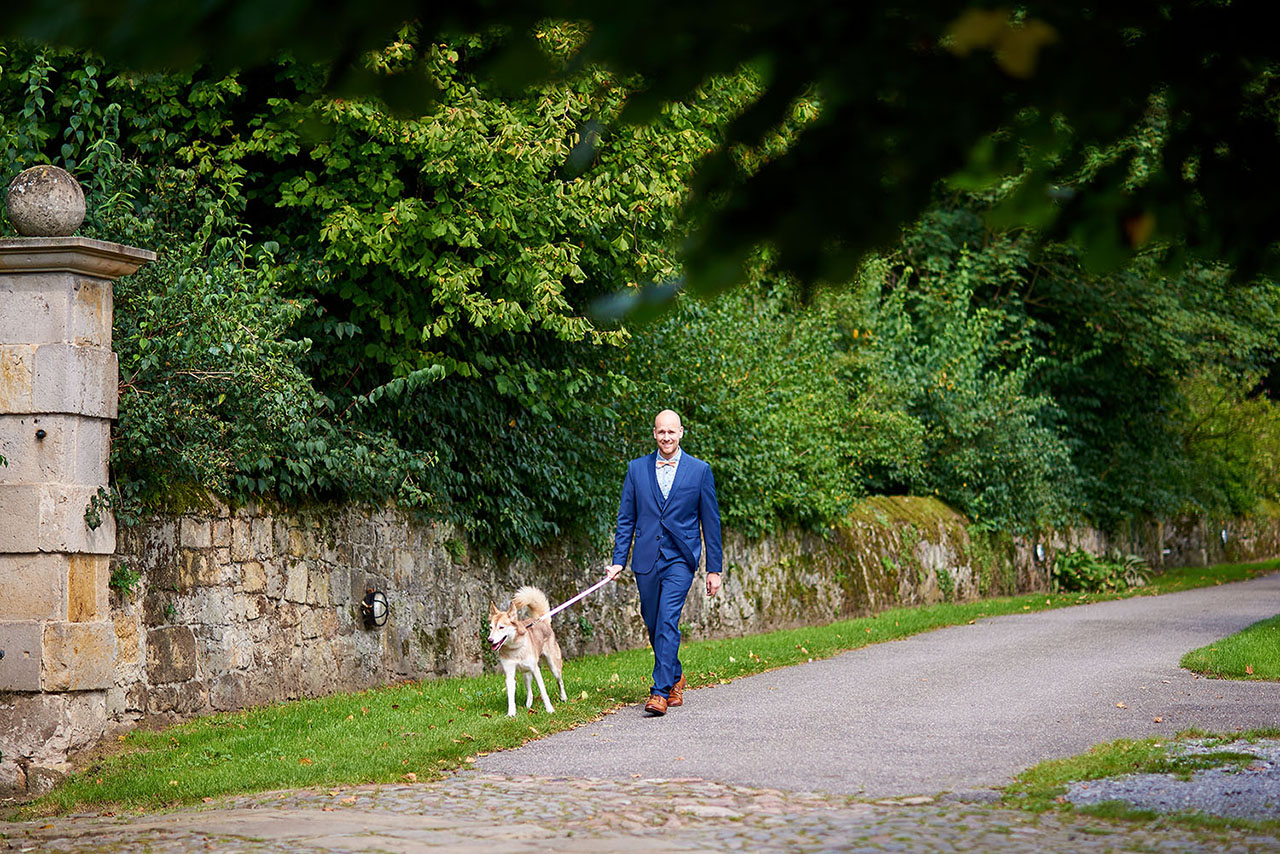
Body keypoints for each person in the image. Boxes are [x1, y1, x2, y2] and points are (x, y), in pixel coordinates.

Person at [606, 409, 723, 716]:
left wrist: (714, 569)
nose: (666, 437)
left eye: (672, 432)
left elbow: (711, 522)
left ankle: (659, 692)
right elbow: (625, 519)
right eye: (661, 432)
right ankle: (675, 676)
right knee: (653, 621)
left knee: (668, 619)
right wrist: (618, 561)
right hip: (646, 559)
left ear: (681, 432)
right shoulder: (636, 469)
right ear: (654, 434)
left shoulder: (699, 471)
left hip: (681, 560)